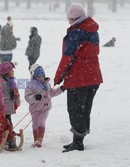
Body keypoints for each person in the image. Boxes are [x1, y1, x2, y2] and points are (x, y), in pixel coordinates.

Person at [54, 3, 103, 152]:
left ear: (75, 18)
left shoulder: (76, 32)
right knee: (84, 109)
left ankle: (78, 142)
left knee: (75, 109)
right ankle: (79, 138)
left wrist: (58, 78)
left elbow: (67, 57)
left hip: (79, 78)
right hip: (93, 77)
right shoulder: (93, 31)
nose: (68, 22)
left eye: (69, 19)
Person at [25, 64, 64, 148]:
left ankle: (39, 140)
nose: (41, 78)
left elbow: (52, 93)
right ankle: (35, 139)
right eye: (39, 76)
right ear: (34, 76)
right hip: (35, 109)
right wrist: (35, 97)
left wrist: (61, 89)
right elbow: (27, 97)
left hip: (45, 108)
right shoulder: (30, 85)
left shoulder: (47, 84)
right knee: (35, 124)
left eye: (42, 76)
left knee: (41, 122)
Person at [0, 62, 20, 126]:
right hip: (2, 109)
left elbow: (16, 94)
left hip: (8, 107)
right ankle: (7, 134)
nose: (13, 72)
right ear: (6, 73)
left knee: (8, 122)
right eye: (11, 71)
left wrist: (16, 102)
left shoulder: (11, 82)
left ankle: (8, 134)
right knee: (5, 123)